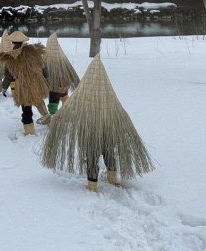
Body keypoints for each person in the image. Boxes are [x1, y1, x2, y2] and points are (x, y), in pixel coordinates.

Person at [40, 55, 154, 192]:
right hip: (108, 130)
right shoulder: (109, 96)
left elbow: (67, 111)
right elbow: (120, 114)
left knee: (92, 157)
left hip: (91, 133)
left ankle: (92, 185)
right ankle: (112, 178)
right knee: (109, 153)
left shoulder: (82, 96)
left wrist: (54, 118)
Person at [0, 31, 51, 135]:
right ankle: (48, 119)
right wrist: (46, 79)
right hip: (37, 82)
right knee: (38, 101)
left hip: (23, 86)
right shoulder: (34, 51)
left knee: (26, 109)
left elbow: (8, 76)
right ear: (23, 41)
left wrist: (4, 87)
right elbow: (44, 68)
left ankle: (29, 132)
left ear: (12, 42)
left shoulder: (10, 57)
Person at [43, 32, 80, 115]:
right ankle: (64, 112)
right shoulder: (62, 58)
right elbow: (71, 72)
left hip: (54, 86)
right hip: (63, 83)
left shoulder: (45, 59)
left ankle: (54, 116)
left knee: (54, 99)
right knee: (63, 95)